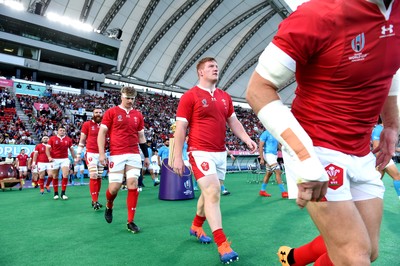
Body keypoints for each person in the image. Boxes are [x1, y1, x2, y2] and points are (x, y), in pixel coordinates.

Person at [246, 0, 400, 265]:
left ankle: (292, 259)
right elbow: (258, 88)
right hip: (317, 147)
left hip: (362, 149)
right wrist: (305, 158)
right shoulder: (317, 14)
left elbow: (390, 65)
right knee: (355, 255)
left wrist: (391, 125)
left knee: (369, 250)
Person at [172, 57, 257, 264]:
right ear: (200, 71)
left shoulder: (224, 97)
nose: (215, 69)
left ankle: (196, 226)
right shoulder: (189, 96)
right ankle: (222, 244)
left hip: (220, 153)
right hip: (199, 151)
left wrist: (246, 138)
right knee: (212, 192)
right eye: (211, 66)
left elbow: (233, 121)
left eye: (217, 67)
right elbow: (181, 128)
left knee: (209, 193)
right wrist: (177, 156)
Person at [98, 86, 150, 234]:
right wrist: (102, 154)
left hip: (134, 154)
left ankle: (130, 221)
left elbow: (141, 137)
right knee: (114, 188)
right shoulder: (111, 112)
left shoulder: (138, 115)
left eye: (132, 98)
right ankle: (109, 205)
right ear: (121, 96)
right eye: (127, 98)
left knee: (132, 184)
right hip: (116, 154)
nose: (130, 101)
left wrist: (145, 156)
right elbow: (102, 133)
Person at [76, 107, 105, 210]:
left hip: (102, 153)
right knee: (93, 175)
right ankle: (95, 200)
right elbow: (82, 140)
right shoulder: (87, 124)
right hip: (91, 153)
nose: (98, 114)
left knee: (99, 177)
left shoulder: (105, 125)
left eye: (100, 112)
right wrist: (78, 155)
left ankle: (95, 199)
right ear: (92, 114)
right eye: (96, 112)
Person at [371, 118, 400, 200]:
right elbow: (376, 146)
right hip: (381, 157)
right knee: (397, 176)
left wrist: (397, 149)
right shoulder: (378, 129)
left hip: (384, 157)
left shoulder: (386, 129)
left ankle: (368, 198)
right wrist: (379, 160)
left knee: (376, 181)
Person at [46, 126, 76, 200]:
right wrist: (49, 157)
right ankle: (56, 193)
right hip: (54, 159)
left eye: (63, 130)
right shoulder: (52, 138)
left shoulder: (68, 139)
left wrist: (74, 158)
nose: (62, 131)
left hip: (65, 159)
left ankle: (63, 193)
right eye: (60, 130)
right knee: (55, 176)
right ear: (57, 131)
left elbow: (72, 150)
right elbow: (47, 149)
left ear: (65, 131)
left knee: (65, 174)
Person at [258, 130, 288, 198]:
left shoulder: (275, 133)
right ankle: (284, 192)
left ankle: (262, 191)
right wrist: (262, 158)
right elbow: (260, 146)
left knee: (269, 173)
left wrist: (285, 151)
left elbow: (278, 146)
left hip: (274, 155)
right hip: (268, 154)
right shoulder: (265, 133)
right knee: (278, 172)